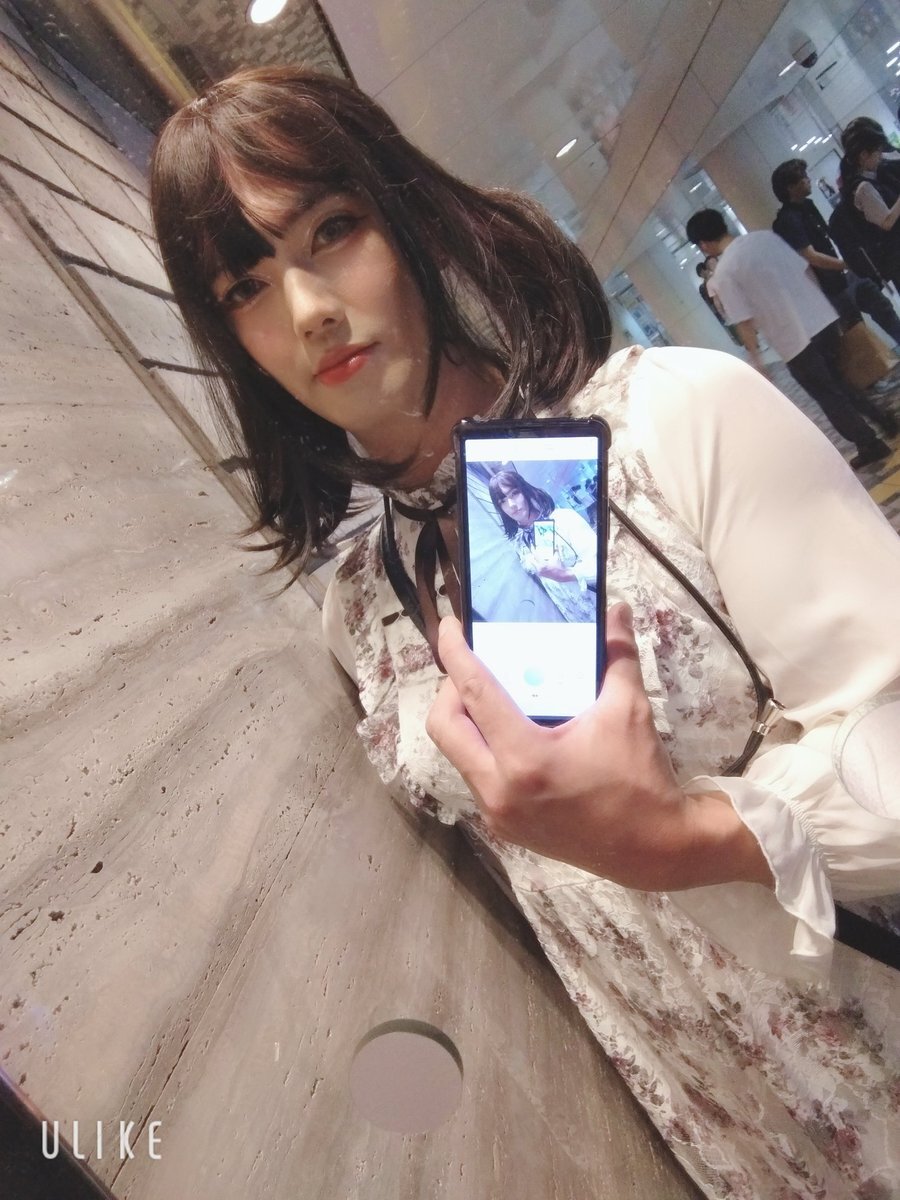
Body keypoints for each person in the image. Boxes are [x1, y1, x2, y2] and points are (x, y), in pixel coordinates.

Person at [150, 67, 900, 1199]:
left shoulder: (673, 418)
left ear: (408, 216)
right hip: (744, 1146)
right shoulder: (364, 607)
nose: (308, 311)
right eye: (246, 287)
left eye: (332, 231)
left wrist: (680, 839)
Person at [685, 207, 895, 468]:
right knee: (839, 381)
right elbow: (805, 270)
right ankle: (885, 419)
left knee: (827, 394)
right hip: (822, 320)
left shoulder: (726, 272)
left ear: (704, 244)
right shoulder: (765, 238)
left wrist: (757, 360)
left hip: (794, 341)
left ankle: (869, 444)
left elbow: (744, 321)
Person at [771, 156, 900, 348]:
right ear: (790, 187)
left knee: (882, 309)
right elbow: (810, 256)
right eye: (803, 177)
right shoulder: (787, 220)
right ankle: (876, 363)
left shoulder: (807, 206)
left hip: (846, 276)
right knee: (857, 332)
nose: (808, 179)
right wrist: (846, 264)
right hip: (829, 286)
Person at [487, 467, 596, 621]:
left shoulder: (564, 519)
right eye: (503, 501)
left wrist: (564, 574)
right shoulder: (519, 545)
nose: (511, 504)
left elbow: (605, 566)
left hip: (602, 612)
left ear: (525, 491)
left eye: (514, 493)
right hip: (576, 620)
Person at [839, 124, 900, 288]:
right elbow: (886, 221)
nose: (881, 155)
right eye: (877, 151)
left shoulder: (876, 176)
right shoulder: (862, 188)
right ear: (864, 155)